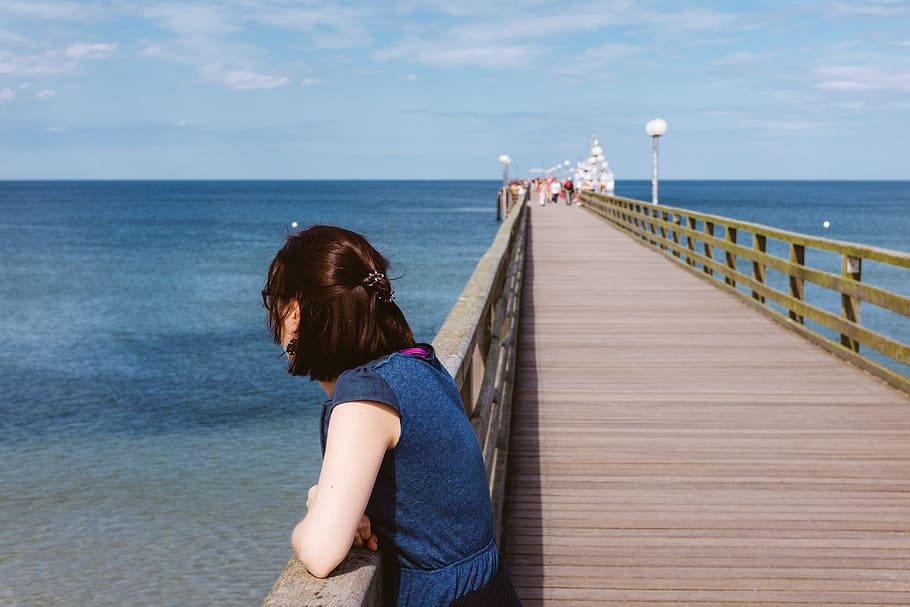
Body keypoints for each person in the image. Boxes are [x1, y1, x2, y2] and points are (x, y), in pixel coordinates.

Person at [262, 225, 522, 607]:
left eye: (275, 302)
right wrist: (348, 511)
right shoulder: (418, 365)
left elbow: (319, 553)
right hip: (489, 589)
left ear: (296, 314)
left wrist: (318, 511)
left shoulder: (363, 399)